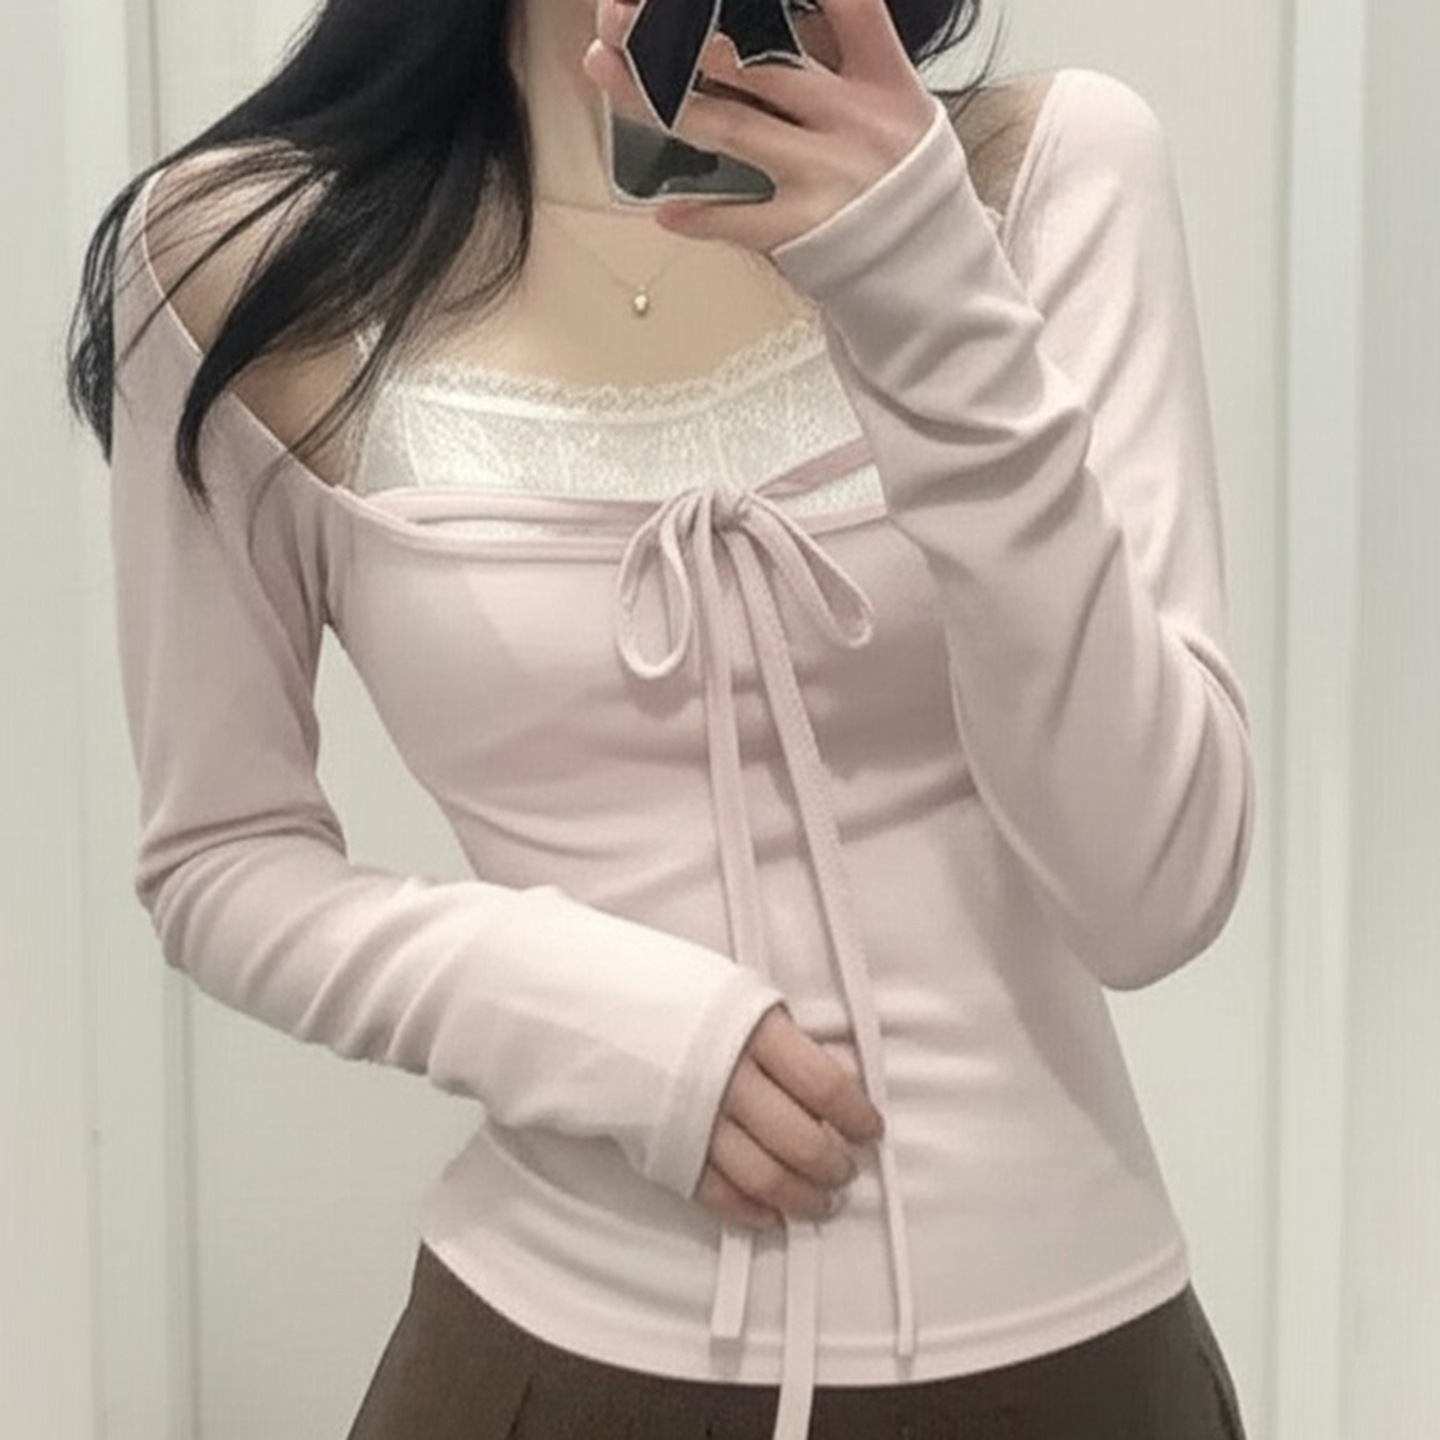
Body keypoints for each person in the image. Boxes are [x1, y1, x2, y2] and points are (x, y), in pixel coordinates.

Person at [66, 0, 1257, 1435]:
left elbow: (1151, 894)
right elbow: (219, 857)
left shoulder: (1050, 173)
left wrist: (925, 281)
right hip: (544, 1364)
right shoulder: (243, 262)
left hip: (1075, 1362)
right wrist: (598, 1023)